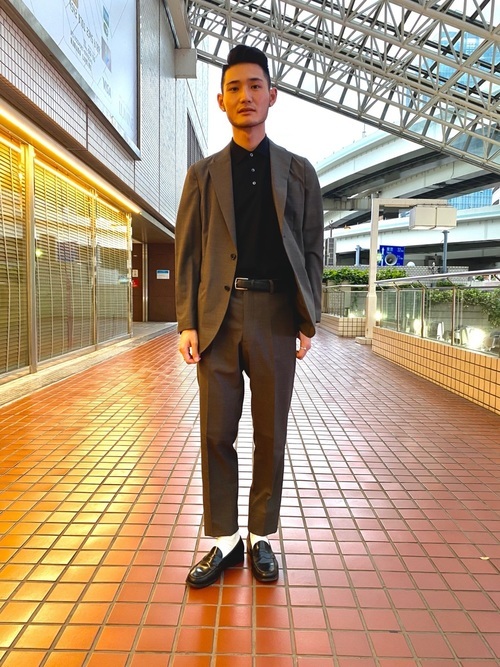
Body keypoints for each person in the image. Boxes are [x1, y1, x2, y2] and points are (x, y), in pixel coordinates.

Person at [175, 44, 324, 588]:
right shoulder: (203, 175)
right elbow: (188, 251)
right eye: (234, 88)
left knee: (270, 432)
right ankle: (223, 541)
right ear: (221, 100)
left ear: (272, 95)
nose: (245, 96)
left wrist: (308, 318)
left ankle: (261, 536)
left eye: (255, 86)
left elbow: (312, 249)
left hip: (276, 315)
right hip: (217, 315)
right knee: (216, 432)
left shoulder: (300, 172)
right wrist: (187, 321)